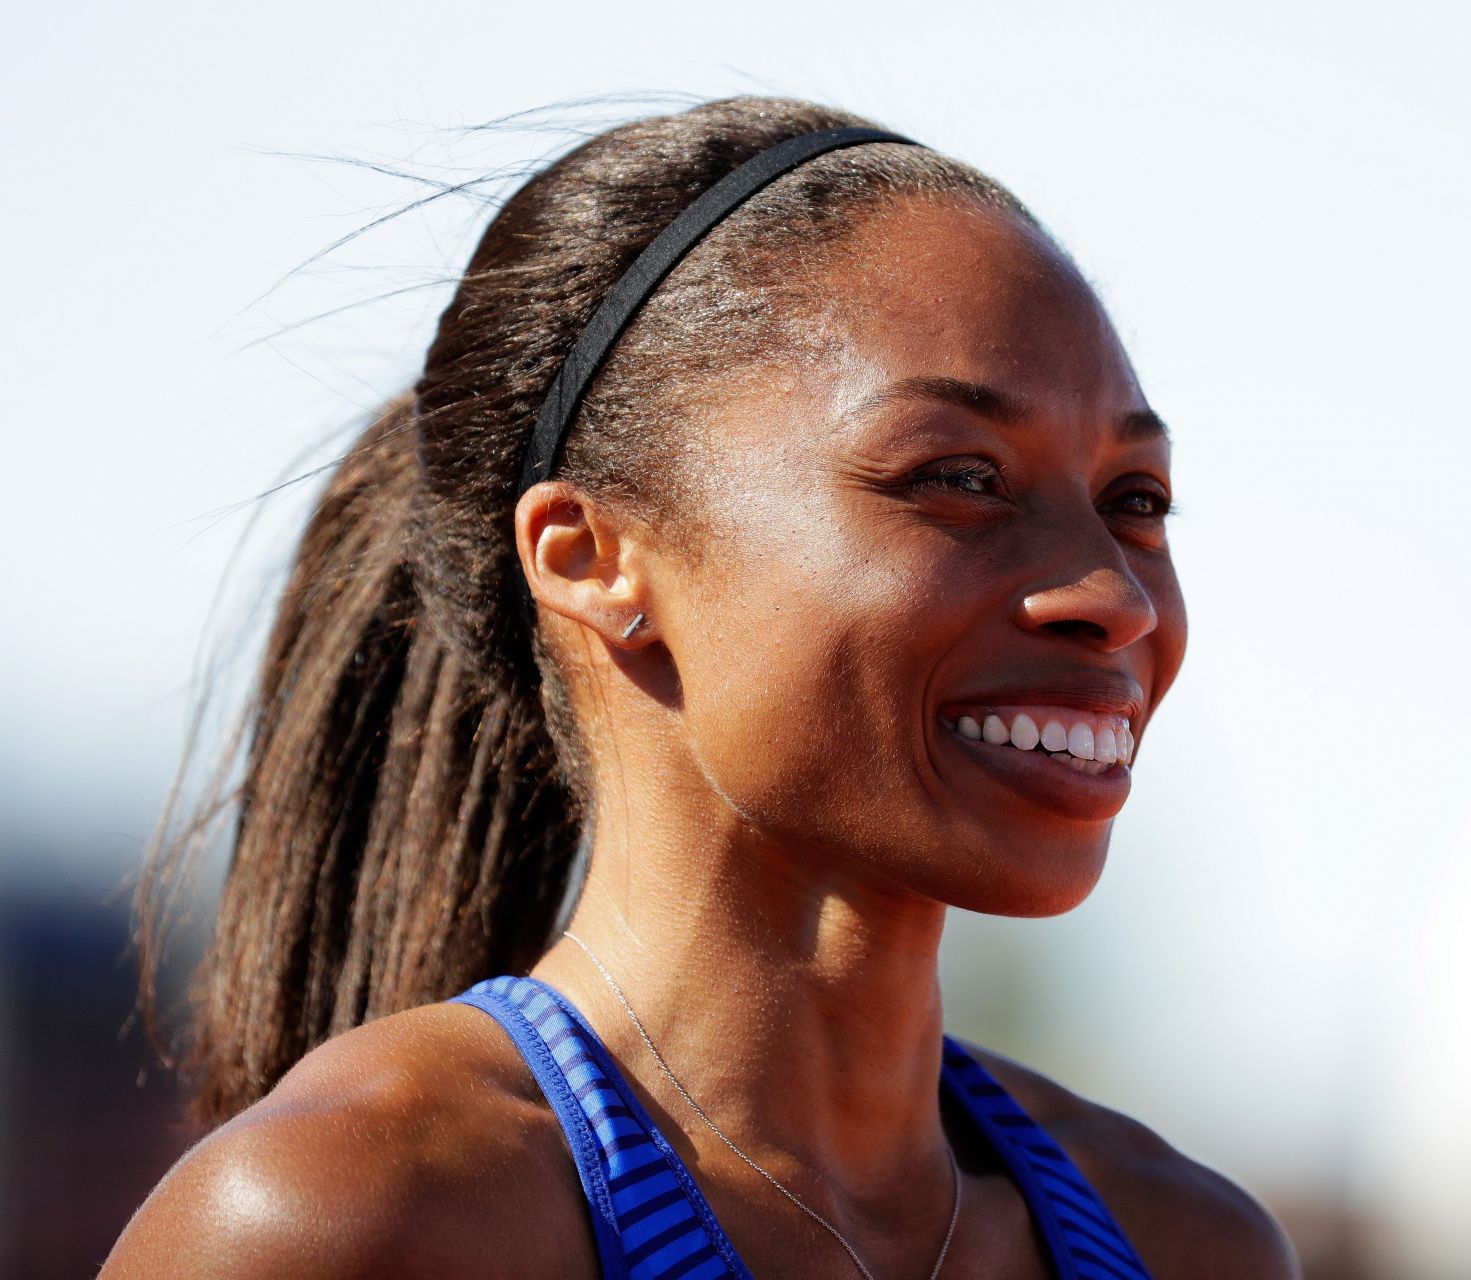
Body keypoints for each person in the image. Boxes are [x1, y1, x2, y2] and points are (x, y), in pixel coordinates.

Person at [105, 96, 1297, 1279]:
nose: (1116, 595)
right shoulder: (353, 1225)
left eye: (1135, 498)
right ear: (591, 556)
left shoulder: (1187, 1243)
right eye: (961, 475)